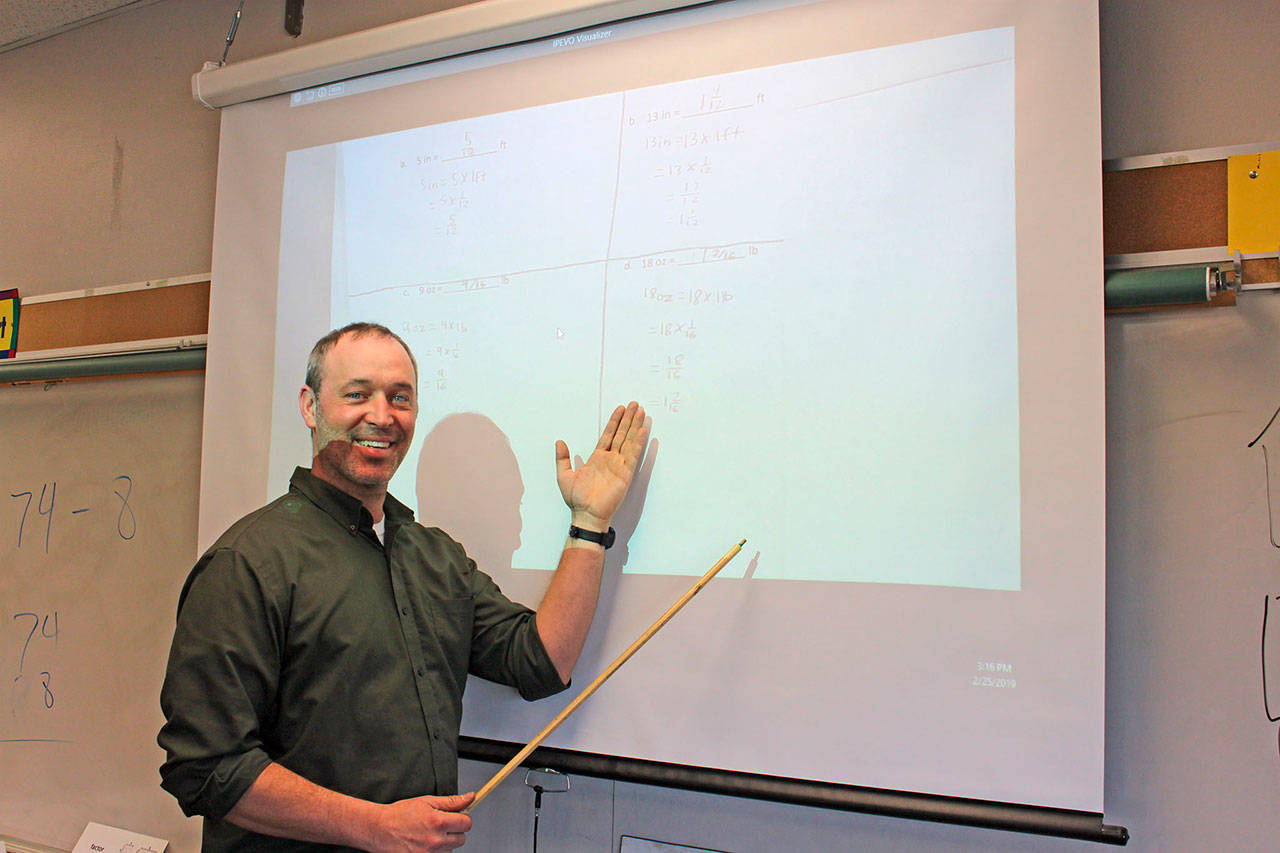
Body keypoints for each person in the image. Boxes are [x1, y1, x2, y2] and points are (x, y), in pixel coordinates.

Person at [158, 322, 648, 852]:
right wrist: (375, 826)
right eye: (357, 395)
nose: (382, 416)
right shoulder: (247, 562)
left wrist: (589, 522)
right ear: (310, 406)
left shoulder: (434, 557)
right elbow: (207, 766)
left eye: (400, 398)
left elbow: (542, 660)